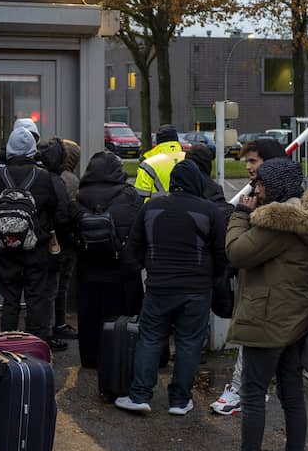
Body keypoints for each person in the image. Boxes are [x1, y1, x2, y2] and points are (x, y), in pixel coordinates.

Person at [206, 158, 308, 451]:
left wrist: (240, 215)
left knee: (253, 394)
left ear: (273, 188)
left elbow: (237, 252)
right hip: (296, 320)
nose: (254, 189)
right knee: (292, 397)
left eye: (259, 184)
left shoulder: (278, 223)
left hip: (268, 319)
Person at [116, 159, 227, 415]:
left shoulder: (151, 208)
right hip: (197, 289)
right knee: (189, 343)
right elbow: (222, 253)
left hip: (159, 286)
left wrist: (146, 270)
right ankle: (179, 400)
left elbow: (133, 248)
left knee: (150, 339)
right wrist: (212, 279)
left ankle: (140, 395)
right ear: (197, 182)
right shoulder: (209, 211)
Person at [210, 137, 288, 416]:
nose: (248, 167)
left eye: (253, 161)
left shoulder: (276, 206)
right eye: (246, 161)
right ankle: (246, 389)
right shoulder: (261, 194)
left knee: (254, 345)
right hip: (258, 289)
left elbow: (242, 249)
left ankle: (242, 391)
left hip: (269, 294)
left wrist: (242, 216)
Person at [0, 126, 71, 351]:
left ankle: (6, 348)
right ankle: (35, 349)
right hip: (36, 249)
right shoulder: (42, 176)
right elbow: (53, 209)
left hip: (6, 250)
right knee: (37, 301)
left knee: (10, 301)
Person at [73, 151, 142, 368]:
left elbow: (69, 229)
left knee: (88, 317)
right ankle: (116, 358)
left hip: (87, 267)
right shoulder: (129, 195)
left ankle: (90, 359)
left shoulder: (78, 196)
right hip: (119, 269)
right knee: (118, 318)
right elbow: (138, 230)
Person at [49, 139, 81, 341]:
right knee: (62, 284)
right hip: (65, 240)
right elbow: (71, 211)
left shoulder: (47, 175)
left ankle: (47, 323)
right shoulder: (71, 180)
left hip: (48, 238)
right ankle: (58, 323)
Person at [133, 125, 186, 198]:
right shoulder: (191, 159)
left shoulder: (148, 164)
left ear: (158, 140)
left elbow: (140, 197)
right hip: (189, 208)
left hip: (156, 208)